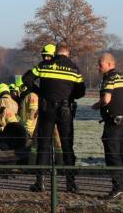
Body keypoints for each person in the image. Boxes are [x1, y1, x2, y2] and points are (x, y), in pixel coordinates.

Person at [22, 42, 85, 193]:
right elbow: (81, 92)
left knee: (43, 146)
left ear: (56, 53)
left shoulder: (45, 65)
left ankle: (40, 183)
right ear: (68, 53)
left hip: (46, 108)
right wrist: (69, 96)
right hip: (65, 110)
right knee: (67, 147)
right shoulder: (74, 69)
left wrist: (40, 92)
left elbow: (27, 79)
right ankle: (70, 183)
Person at [93, 53, 123, 199]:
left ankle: (117, 187)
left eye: (100, 64)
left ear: (109, 64)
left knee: (112, 155)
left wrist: (97, 105)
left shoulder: (109, 79)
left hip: (113, 122)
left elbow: (106, 99)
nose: (98, 67)